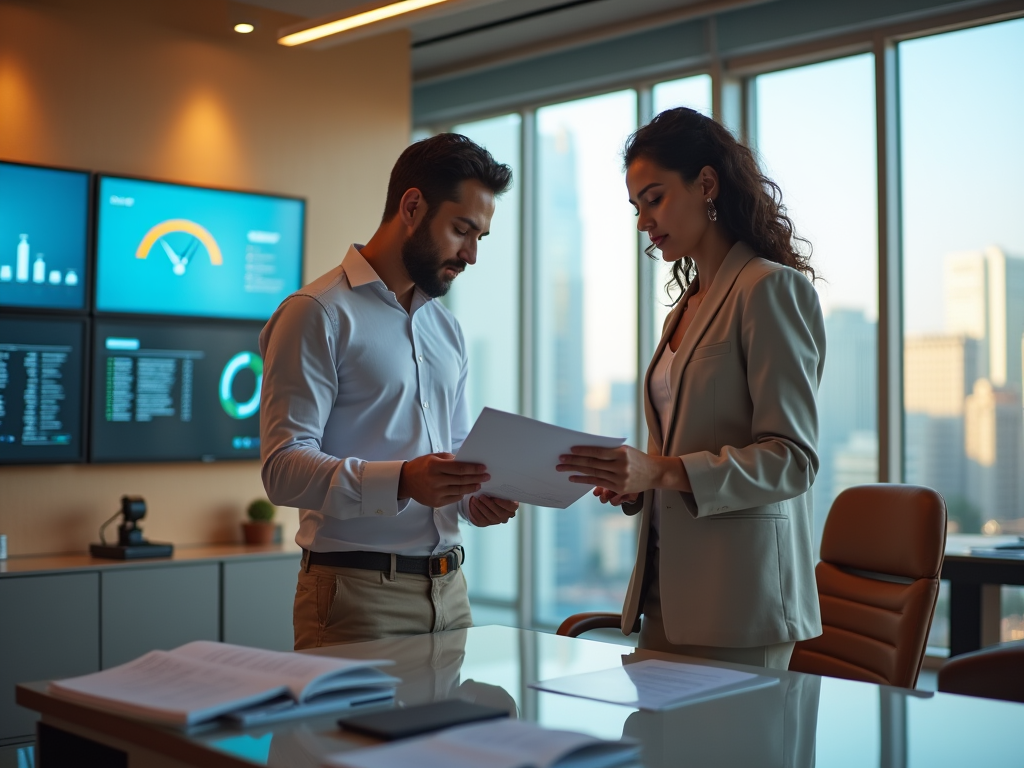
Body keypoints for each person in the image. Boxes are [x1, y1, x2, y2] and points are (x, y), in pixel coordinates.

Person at [556, 108, 824, 670]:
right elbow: (681, 450)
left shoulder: (770, 291)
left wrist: (659, 472)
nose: (643, 222)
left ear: (706, 184)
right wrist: (637, 483)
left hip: (740, 602)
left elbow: (792, 460)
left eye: (654, 199)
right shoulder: (682, 311)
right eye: (636, 207)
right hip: (665, 598)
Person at [260, 134, 520, 649]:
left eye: (480, 238)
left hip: (450, 591)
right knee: (352, 736)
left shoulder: (447, 330)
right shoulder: (316, 312)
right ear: (412, 205)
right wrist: (402, 480)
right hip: (354, 595)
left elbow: (453, 452)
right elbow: (283, 469)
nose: (470, 255)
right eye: (460, 230)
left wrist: (473, 495)